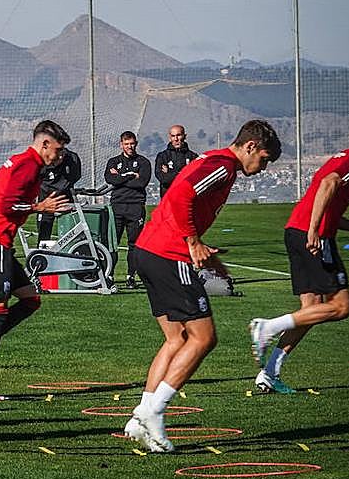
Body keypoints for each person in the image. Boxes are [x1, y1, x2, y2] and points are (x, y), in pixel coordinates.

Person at [123, 120, 281, 453]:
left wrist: (206, 254)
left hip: (148, 251)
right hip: (169, 254)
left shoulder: (217, 164)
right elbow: (182, 194)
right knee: (204, 338)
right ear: (250, 147)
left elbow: (185, 201)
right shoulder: (222, 165)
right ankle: (155, 412)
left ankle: (140, 414)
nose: (263, 167)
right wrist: (192, 241)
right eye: (264, 159)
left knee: (176, 338)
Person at [249, 119, 349, 393]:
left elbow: (330, 208)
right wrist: (315, 231)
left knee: (311, 311)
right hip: (312, 235)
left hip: (296, 231)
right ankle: (268, 326)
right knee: (341, 307)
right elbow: (328, 183)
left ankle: (269, 373)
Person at [0, 120, 72, 401]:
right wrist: (39, 207)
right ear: (44, 143)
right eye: (57, 151)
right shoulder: (28, 165)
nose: (58, 157)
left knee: (30, 299)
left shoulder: (20, 161)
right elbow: (7, 204)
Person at [104, 131, 151, 288]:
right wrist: (131, 176)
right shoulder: (113, 161)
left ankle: (131, 276)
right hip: (117, 206)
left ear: (136, 144)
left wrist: (121, 179)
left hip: (136, 207)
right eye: (126, 144)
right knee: (112, 243)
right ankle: (108, 274)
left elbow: (142, 183)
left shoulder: (143, 162)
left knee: (134, 244)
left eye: (132, 143)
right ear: (121, 145)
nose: (129, 146)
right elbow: (110, 179)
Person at [36, 148, 82, 243]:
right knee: (44, 229)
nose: (60, 158)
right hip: (46, 197)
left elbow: (75, 176)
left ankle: (69, 251)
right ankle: (42, 251)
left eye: (62, 155)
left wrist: (62, 188)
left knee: (70, 229)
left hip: (65, 197)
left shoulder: (72, 158)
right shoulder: (41, 159)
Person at [154, 125, 198, 198]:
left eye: (178, 135)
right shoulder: (162, 156)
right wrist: (185, 173)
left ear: (185, 136)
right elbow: (163, 178)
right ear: (170, 138)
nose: (176, 139)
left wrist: (170, 173)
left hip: (186, 198)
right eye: (173, 136)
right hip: (168, 199)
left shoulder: (193, 157)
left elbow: (195, 179)